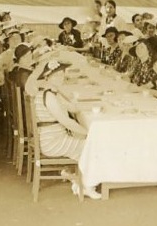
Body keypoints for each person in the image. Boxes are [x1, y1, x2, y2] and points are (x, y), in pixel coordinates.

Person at [24, 60, 101, 199]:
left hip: (54, 138)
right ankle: (87, 187)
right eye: (56, 75)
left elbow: (73, 108)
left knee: (84, 140)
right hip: (52, 142)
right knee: (92, 145)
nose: (60, 77)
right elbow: (67, 122)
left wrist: (59, 91)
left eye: (62, 74)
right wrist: (89, 133)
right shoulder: (49, 96)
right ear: (47, 77)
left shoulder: (52, 93)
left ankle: (74, 176)